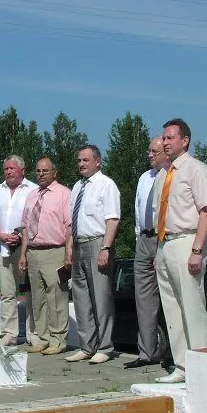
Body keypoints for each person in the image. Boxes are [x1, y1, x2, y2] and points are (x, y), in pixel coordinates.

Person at [152, 119, 207, 383]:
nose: (165, 142)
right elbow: (160, 215)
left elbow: (206, 212)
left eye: (170, 138)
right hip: (166, 243)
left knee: (192, 307)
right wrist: (159, 251)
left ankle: (201, 367)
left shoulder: (196, 170)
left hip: (188, 241)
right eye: (164, 138)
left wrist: (197, 250)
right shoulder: (163, 174)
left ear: (184, 140)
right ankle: (180, 366)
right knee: (172, 309)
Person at [65, 145, 120, 364]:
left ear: (97, 161)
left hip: (98, 242)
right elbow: (72, 220)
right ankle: (86, 345)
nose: (81, 164)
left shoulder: (106, 185)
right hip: (79, 243)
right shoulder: (77, 186)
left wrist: (105, 248)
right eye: (79, 160)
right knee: (81, 297)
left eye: (86, 160)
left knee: (100, 297)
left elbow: (113, 219)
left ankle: (105, 347)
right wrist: (69, 247)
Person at [19, 158, 73, 355]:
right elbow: (25, 227)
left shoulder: (64, 194)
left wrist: (68, 253)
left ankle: (58, 340)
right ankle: (42, 338)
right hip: (33, 252)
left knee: (57, 297)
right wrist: (23, 254)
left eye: (45, 170)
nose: (41, 174)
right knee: (37, 299)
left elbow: (69, 227)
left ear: (54, 172)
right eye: (38, 171)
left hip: (54, 251)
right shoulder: (32, 195)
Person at [124, 136, 170, 369]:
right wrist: (138, 238)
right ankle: (146, 352)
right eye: (149, 151)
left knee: (169, 298)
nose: (149, 155)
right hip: (144, 238)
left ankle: (170, 352)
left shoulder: (173, 176)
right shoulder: (145, 177)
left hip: (165, 240)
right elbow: (138, 209)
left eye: (154, 151)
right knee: (144, 299)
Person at [0, 155, 37, 347]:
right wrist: (1, 236)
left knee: (30, 293)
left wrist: (21, 237)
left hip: (26, 249)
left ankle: (33, 333)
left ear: (22, 170)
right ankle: (10, 333)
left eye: (12, 169)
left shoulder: (32, 190)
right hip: (2, 248)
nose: (8, 172)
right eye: (6, 169)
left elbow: (37, 219)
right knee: (7, 294)